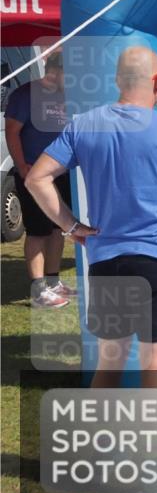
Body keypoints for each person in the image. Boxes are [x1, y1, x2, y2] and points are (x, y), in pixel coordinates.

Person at [25, 46, 157, 493]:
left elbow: (36, 179)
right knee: (155, 364)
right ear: (156, 83)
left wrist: (71, 226)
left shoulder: (85, 123)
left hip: (107, 258)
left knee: (110, 360)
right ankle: (151, 476)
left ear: (116, 80)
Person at [3, 53, 75, 308]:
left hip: (62, 173)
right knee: (38, 231)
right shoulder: (25, 95)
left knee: (58, 229)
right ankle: (38, 290)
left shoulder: (68, 95)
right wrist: (22, 167)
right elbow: (12, 131)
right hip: (34, 175)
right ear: (53, 69)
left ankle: (53, 282)